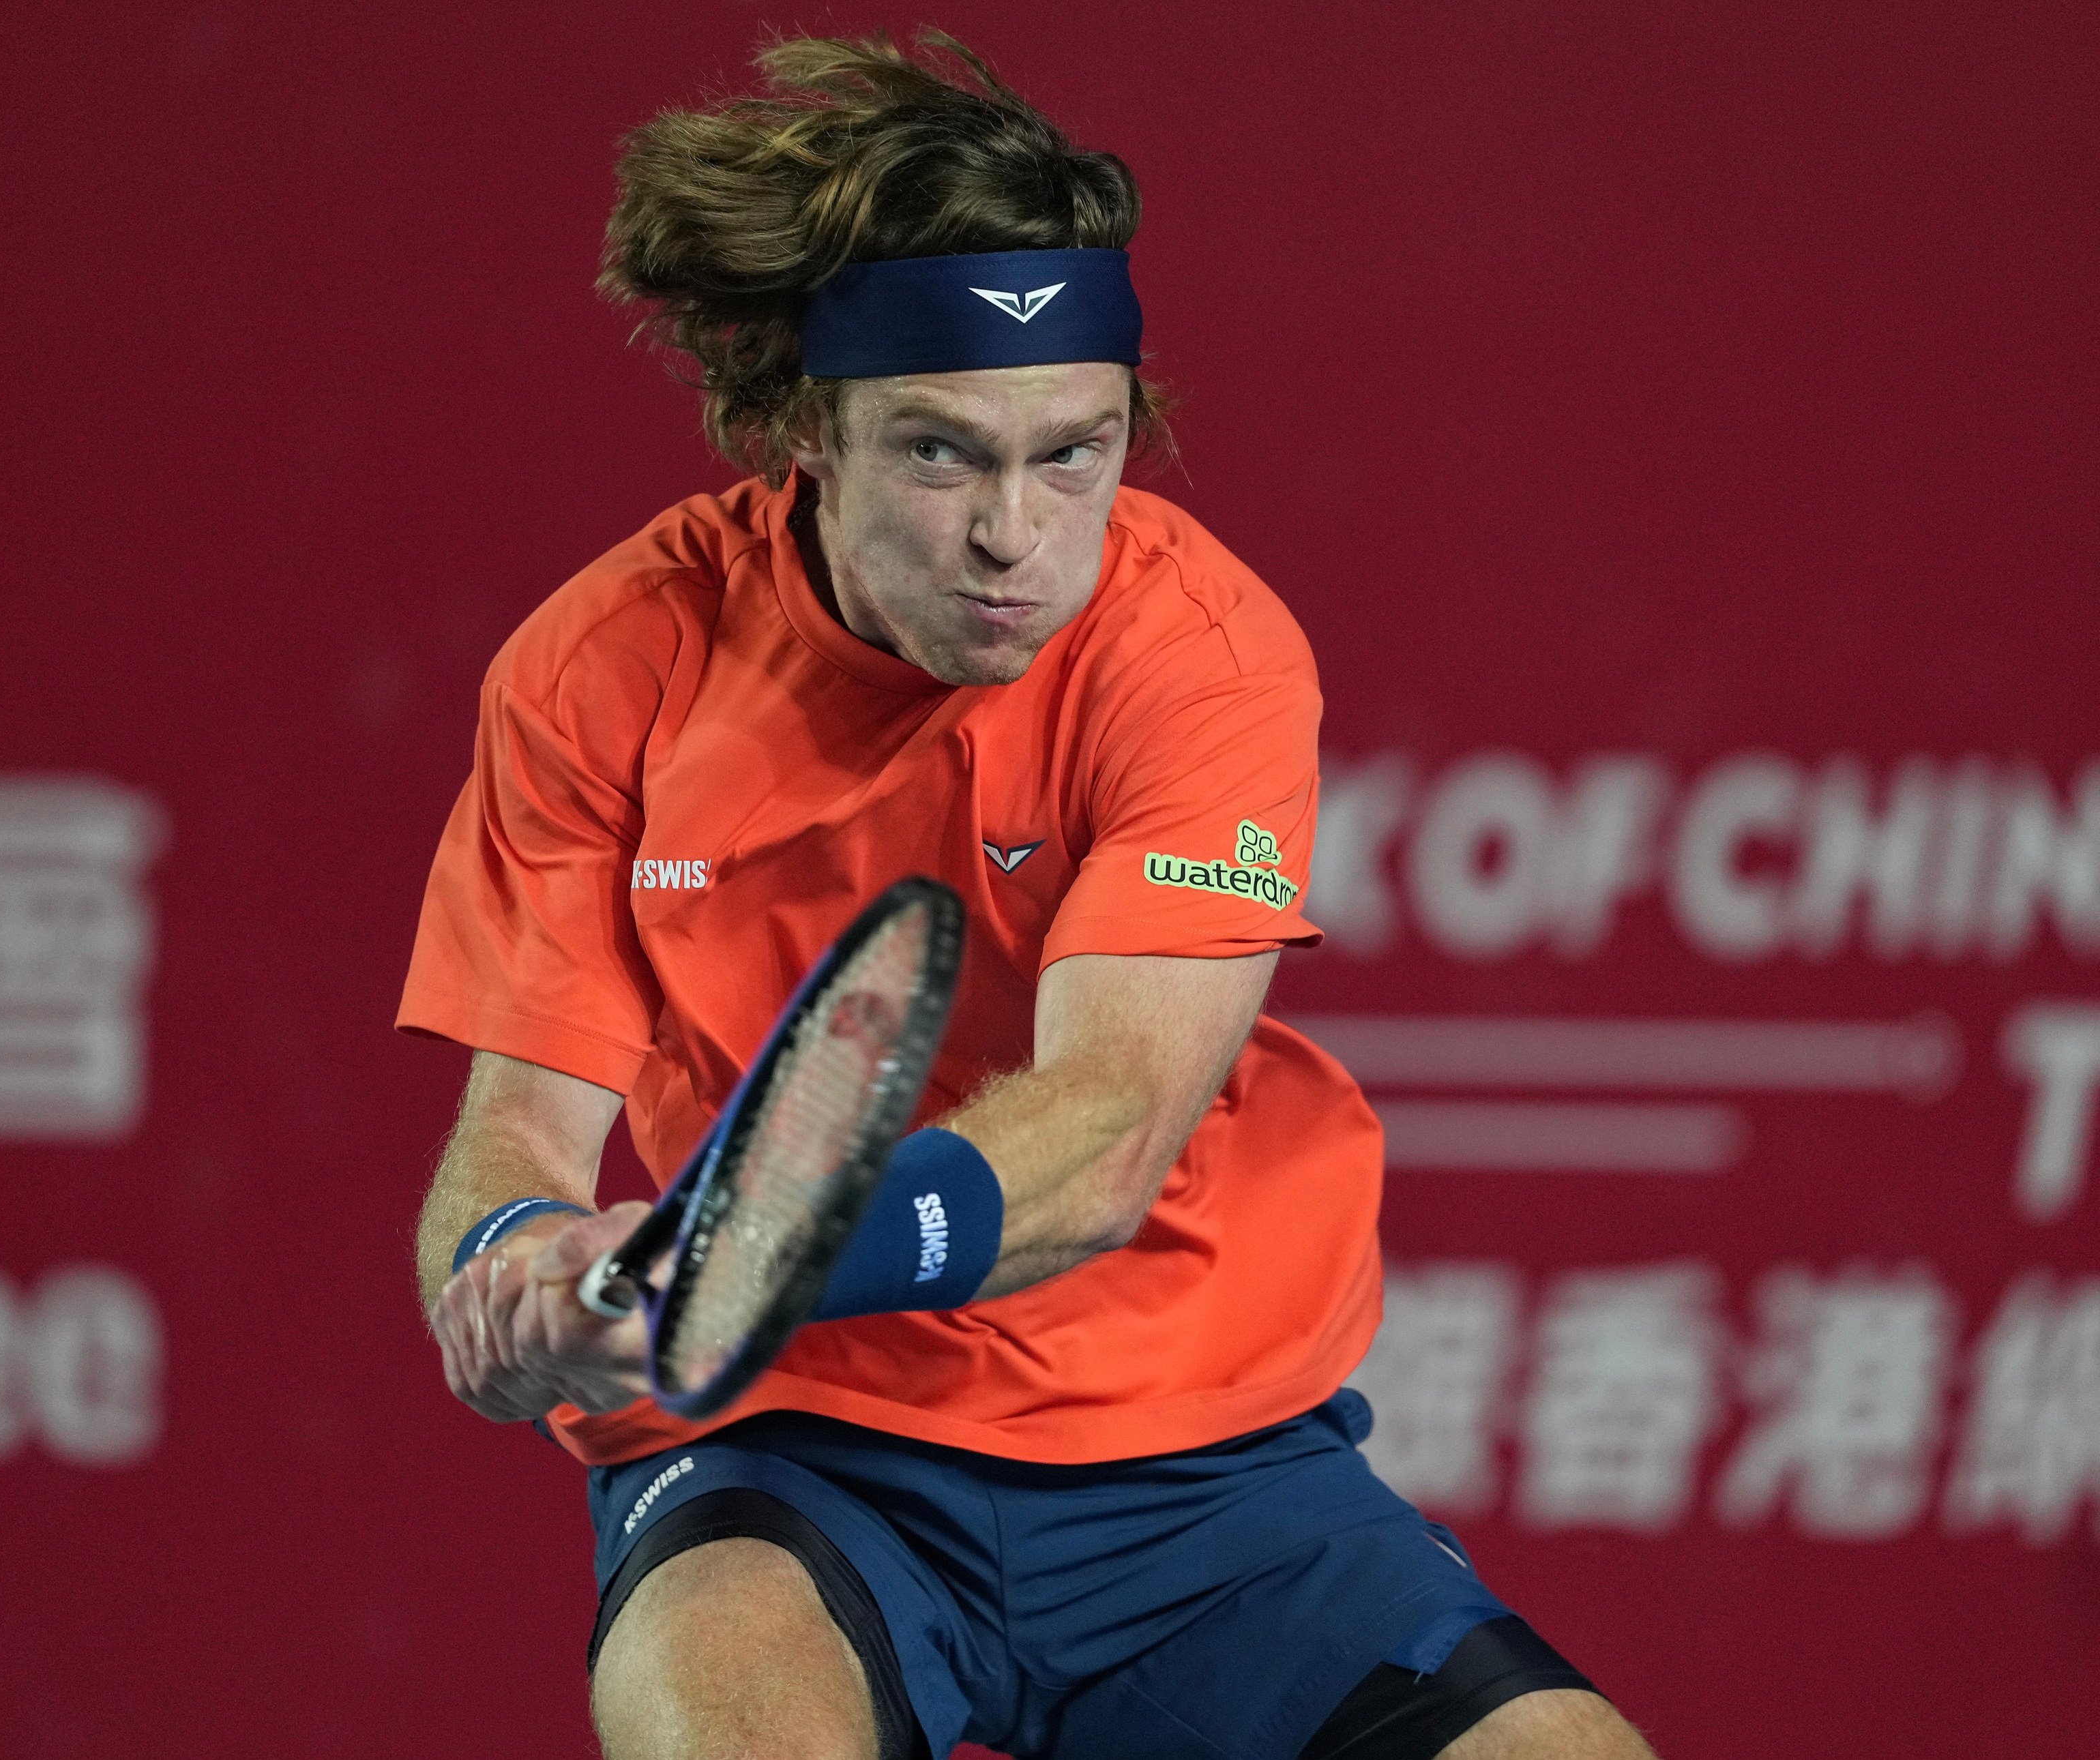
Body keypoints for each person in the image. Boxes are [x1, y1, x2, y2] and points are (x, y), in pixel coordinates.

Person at [400, 31, 1658, 1760]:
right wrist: (507, 1268)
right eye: (938, 455)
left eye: (1076, 452)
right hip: (793, 1448)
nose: (1018, 534)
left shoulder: (1197, 655)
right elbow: (516, 1136)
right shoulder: (608, 664)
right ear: (802, 436)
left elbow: (1108, 1129)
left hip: (1198, 1461)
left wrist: (744, 1250)